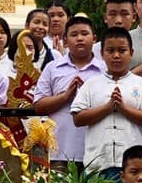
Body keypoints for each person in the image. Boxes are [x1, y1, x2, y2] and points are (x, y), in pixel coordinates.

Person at [72, 28, 142, 178]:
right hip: (97, 165)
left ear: (131, 53)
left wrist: (123, 109)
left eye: (122, 50)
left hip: (132, 166)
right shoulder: (91, 84)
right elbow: (77, 119)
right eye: (110, 51)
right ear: (102, 53)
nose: (116, 56)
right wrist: (107, 108)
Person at [29, 15, 105, 168]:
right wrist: (65, 97)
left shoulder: (104, 69)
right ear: (65, 40)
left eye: (85, 34)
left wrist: (87, 96)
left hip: (96, 151)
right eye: (74, 34)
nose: (79, 38)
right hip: (59, 150)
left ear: (94, 39)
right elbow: (39, 106)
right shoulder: (53, 68)